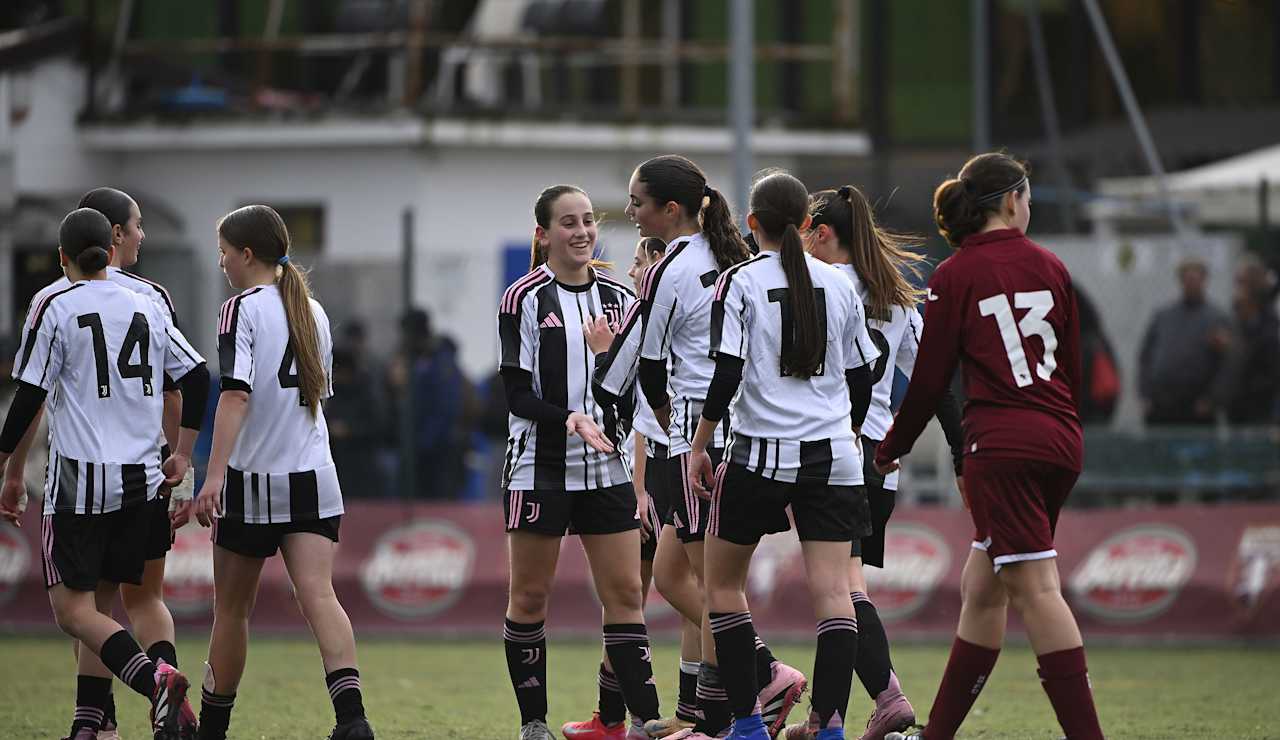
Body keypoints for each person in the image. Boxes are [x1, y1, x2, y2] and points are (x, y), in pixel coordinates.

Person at [878, 153, 1104, 740]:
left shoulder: (953, 275)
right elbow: (1073, 366)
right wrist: (1063, 429)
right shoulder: (1052, 265)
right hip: (1059, 438)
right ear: (1010, 201)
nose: (1027, 208)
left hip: (1001, 447)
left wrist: (891, 443)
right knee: (983, 590)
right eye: (1027, 199)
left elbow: (930, 379)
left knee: (1036, 588)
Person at [0, 207, 209, 740]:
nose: (142, 234)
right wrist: (181, 463)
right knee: (130, 601)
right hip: (144, 478)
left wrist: (8, 465)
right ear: (114, 237)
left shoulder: (53, 302)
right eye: (138, 225)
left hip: (80, 481)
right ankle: (95, 722)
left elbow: (32, 395)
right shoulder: (150, 298)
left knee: (76, 611)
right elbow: (187, 382)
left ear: (63, 254)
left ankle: (152, 682)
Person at [686, 171, 879, 740]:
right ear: (804, 226)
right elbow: (863, 374)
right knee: (835, 593)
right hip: (832, 457)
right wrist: (851, 431)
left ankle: (747, 725)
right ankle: (830, 729)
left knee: (722, 588)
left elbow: (725, 373)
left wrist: (701, 443)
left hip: (759, 455)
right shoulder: (841, 284)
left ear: (752, 224)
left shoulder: (738, 282)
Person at [624, 154, 807, 739]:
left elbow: (650, 363)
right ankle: (716, 707)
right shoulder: (730, 255)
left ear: (670, 209)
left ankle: (759, 683)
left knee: (712, 584)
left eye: (637, 201)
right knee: (678, 577)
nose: (629, 211)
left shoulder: (672, 267)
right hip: (723, 434)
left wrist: (654, 413)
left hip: (701, 441)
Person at [190, 205, 373, 740]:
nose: (222, 262)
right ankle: (353, 721)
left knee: (232, 611)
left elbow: (236, 395)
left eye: (224, 252)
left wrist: (213, 475)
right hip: (315, 475)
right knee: (320, 595)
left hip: (253, 478)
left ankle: (213, 729)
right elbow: (316, 399)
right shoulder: (312, 310)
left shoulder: (238, 309)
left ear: (246, 254)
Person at [791, 185, 966, 740]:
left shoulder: (822, 285)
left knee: (837, 589)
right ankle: (845, 711)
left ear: (821, 234)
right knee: (846, 584)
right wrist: (960, 453)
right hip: (882, 459)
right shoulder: (896, 298)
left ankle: (856, 710)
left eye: (803, 234)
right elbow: (937, 387)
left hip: (837, 450)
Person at [498, 185, 659, 740]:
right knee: (530, 596)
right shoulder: (522, 298)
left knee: (625, 594)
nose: (583, 231)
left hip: (607, 468)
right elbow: (516, 395)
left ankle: (644, 720)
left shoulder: (622, 298)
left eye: (589, 220)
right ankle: (534, 723)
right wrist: (568, 417)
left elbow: (637, 390)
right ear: (543, 234)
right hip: (538, 465)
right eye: (568, 223)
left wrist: (607, 357)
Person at [568, 236, 705, 739]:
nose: (632, 268)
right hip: (674, 467)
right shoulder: (671, 305)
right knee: (637, 599)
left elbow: (646, 416)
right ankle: (648, 714)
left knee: (645, 594)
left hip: (665, 473)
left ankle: (752, 671)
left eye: (641, 259)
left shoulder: (654, 313)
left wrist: (639, 487)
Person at [1137, 257, 1231, 426]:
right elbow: (1145, 356)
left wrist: (1212, 399)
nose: (1191, 284)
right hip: (1161, 404)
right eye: (1187, 279)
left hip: (1197, 406)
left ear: (1204, 280)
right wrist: (1145, 395)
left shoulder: (1217, 318)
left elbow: (1225, 364)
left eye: (1195, 279)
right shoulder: (1163, 315)